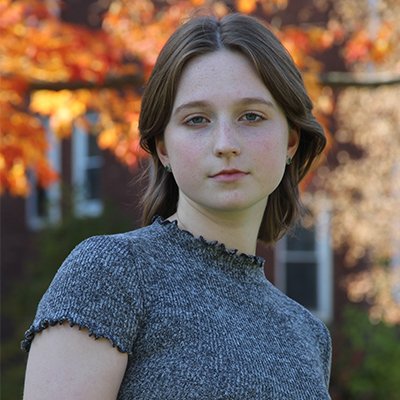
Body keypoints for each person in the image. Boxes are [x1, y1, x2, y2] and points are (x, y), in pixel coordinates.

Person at [22, 11, 331, 400]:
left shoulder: (308, 334)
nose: (225, 143)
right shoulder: (111, 273)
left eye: (251, 116)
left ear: (291, 140)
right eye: (197, 119)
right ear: (163, 147)